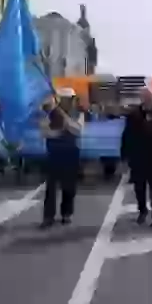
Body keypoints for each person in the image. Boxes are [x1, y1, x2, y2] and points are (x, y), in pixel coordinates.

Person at [121, 88, 152, 227]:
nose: (147, 99)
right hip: (138, 158)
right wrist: (125, 156)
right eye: (144, 97)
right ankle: (142, 210)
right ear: (141, 98)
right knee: (139, 187)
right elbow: (127, 137)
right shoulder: (133, 115)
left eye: (148, 97)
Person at [39, 88, 84, 228]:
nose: (68, 102)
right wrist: (59, 132)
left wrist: (66, 121)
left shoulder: (78, 113)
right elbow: (45, 132)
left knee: (69, 186)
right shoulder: (50, 113)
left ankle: (67, 213)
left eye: (70, 99)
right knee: (51, 187)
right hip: (54, 154)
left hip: (71, 153)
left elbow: (77, 130)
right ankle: (48, 217)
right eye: (66, 99)